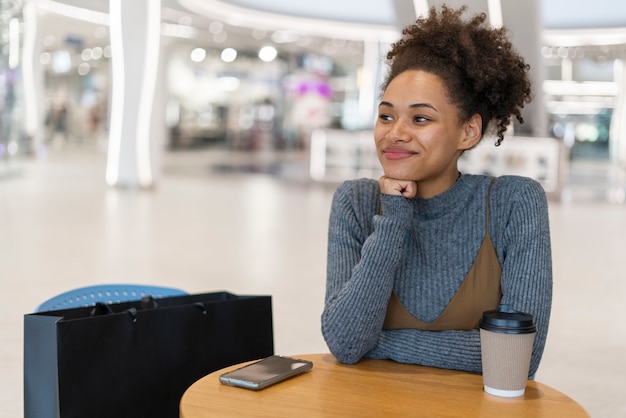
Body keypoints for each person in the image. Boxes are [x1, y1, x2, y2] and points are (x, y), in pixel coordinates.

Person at [321, 5, 552, 377]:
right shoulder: (357, 202)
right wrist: (393, 216)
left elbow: (516, 358)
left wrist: (380, 343)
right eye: (386, 115)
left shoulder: (514, 202)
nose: (395, 133)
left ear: (469, 132)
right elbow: (346, 344)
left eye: (420, 118)